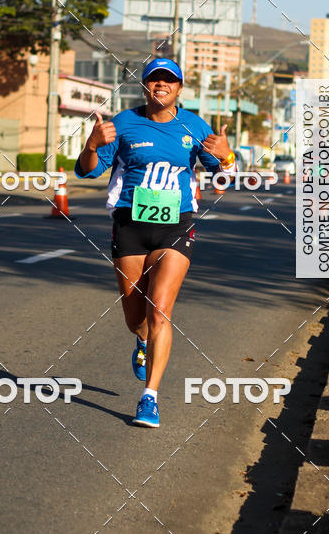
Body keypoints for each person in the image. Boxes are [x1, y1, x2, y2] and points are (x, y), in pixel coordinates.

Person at [75, 58, 235, 428]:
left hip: (175, 227)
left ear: (179, 88)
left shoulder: (194, 126)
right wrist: (91, 143)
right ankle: (142, 341)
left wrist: (226, 155)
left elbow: (225, 178)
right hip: (130, 225)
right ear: (145, 87)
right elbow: (87, 170)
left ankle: (150, 398)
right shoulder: (124, 124)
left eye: (169, 80)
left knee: (160, 311)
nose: (161, 85)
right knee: (136, 319)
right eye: (154, 80)